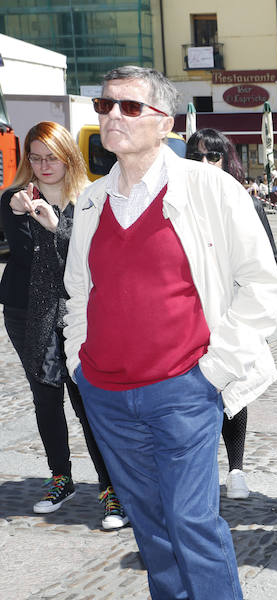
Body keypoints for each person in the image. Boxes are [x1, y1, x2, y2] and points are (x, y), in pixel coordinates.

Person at [64, 66, 277, 600]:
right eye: (105, 105)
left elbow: (260, 284)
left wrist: (212, 372)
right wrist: (79, 364)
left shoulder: (212, 189)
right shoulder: (91, 202)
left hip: (183, 389)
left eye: (130, 107)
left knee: (192, 523)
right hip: (108, 395)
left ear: (166, 124)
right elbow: (78, 294)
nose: (113, 115)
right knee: (151, 527)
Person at [0, 122, 127, 530]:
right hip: (24, 312)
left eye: (50, 156)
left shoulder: (90, 199)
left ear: (67, 155)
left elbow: (98, 257)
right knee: (44, 396)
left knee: (87, 399)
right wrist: (20, 216)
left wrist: (58, 227)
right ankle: (61, 477)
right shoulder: (13, 199)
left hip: (77, 310)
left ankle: (112, 489)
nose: (43, 165)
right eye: (35, 158)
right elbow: (21, 256)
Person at [186, 128, 277, 500]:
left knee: (233, 392)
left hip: (230, 313)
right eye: (197, 156)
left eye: (214, 156)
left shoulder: (245, 202)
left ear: (227, 160)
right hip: (189, 314)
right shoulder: (177, 199)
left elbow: (267, 264)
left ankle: (236, 469)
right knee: (195, 397)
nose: (206, 163)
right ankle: (201, 471)